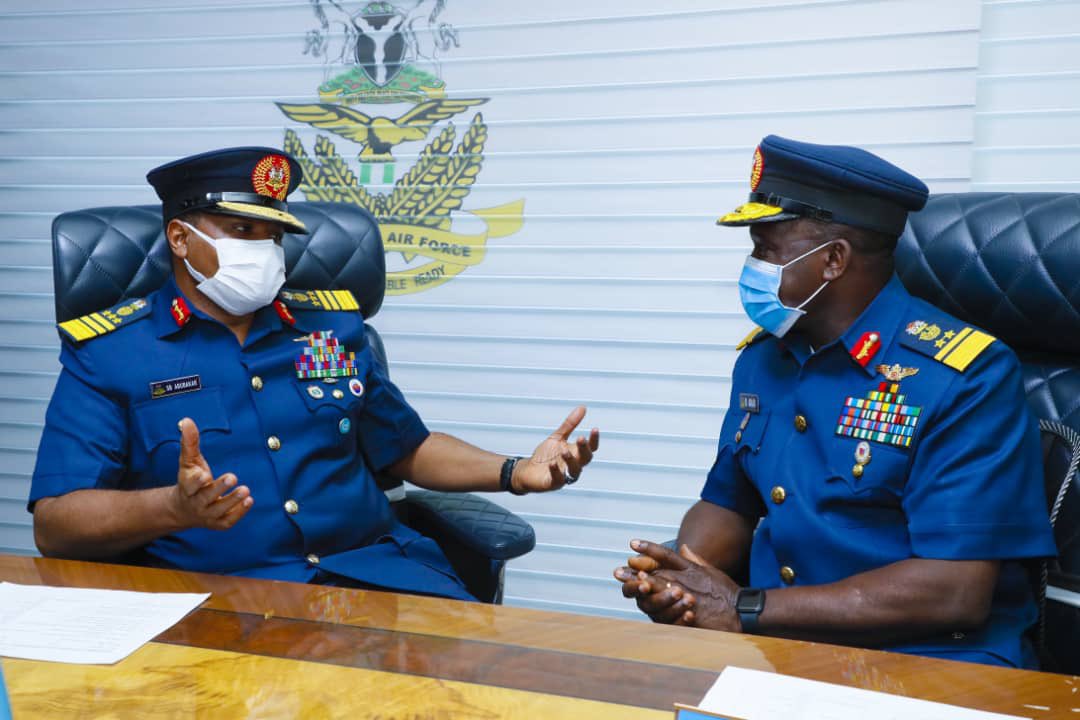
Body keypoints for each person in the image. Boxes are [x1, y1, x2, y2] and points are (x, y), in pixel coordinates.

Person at [29, 146, 599, 601]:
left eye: (274, 236)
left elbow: (408, 448)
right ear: (180, 238)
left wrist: (515, 471)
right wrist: (173, 509)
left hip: (377, 578)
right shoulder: (111, 353)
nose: (264, 251)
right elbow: (56, 525)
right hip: (219, 601)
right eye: (242, 231)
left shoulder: (330, 329)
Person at [614, 135, 1055, 667]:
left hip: (932, 658)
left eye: (765, 250)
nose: (752, 266)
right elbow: (729, 502)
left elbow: (954, 591)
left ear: (833, 260)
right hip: (785, 643)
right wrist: (684, 578)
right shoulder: (764, 358)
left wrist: (742, 607)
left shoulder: (967, 376)